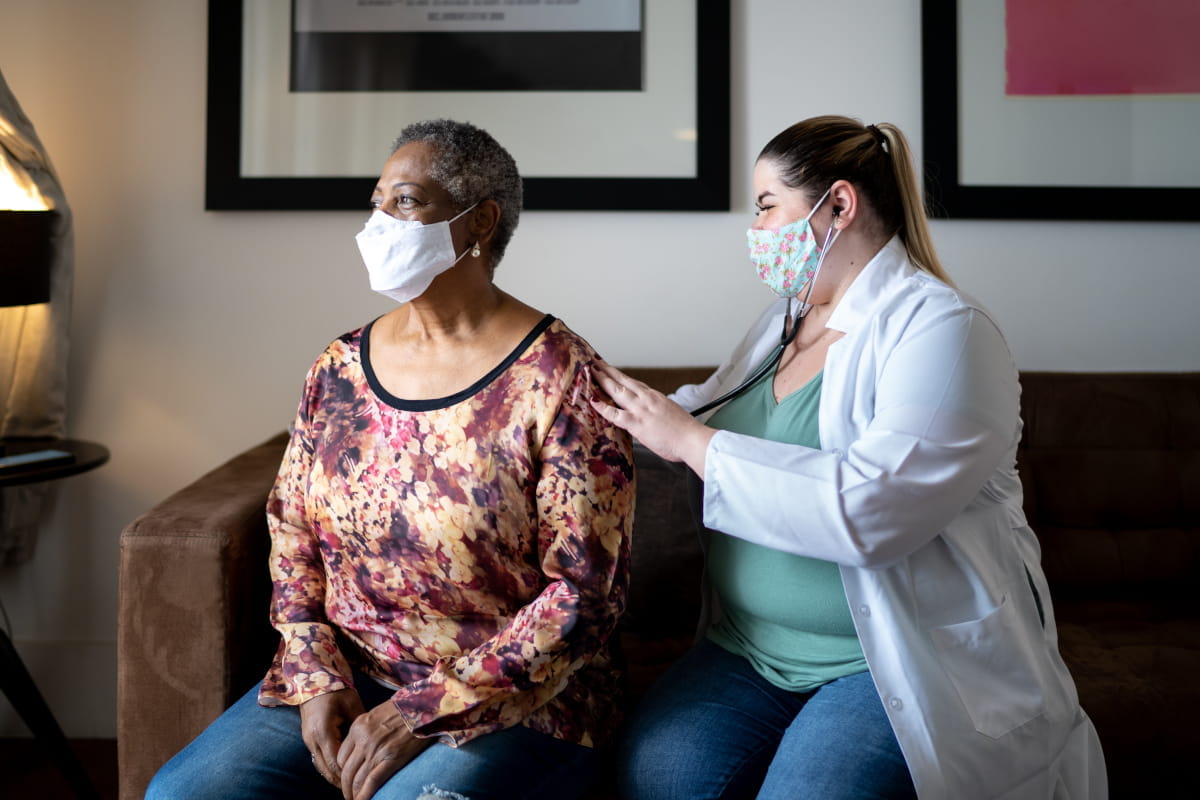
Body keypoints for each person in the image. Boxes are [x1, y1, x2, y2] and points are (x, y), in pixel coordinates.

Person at [591, 115, 1106, 799]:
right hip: (748, 652)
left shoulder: (944, 332)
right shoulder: (787, 319)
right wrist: (576, 393)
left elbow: (872, 510)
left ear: (839, 204)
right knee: (656, 778)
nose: (757, 229)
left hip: (890, 662)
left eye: (768, 205)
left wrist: (688, 441)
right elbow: (702, 409)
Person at [146, 119, 635, 800]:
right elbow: (293, 536)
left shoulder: (562, 380)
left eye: (405, 202)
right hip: (351, 675)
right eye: (376, 202)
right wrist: (315, 674)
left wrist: (422, 711)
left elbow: (584, 597)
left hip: (517, 706)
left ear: (478, 223)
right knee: (181, 795)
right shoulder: (339, 368)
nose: (378, 223)